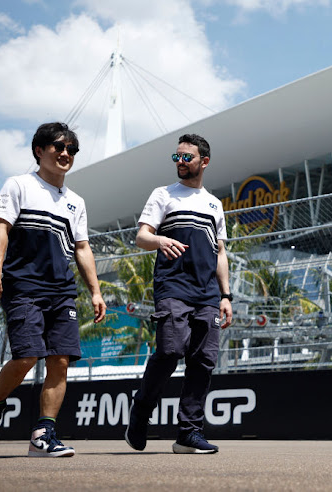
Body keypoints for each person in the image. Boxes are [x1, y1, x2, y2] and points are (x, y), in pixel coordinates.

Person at [0, 122, 106, 457]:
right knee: (28, 356)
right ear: (39, 151)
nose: (65, 154)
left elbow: (82, 249)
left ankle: (43, 435)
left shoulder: (76, 201)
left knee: (60, 360)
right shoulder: (18, 185)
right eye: (58, 147)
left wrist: (95, 292)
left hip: (62, 291)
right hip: (22, 287)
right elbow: (1, 228)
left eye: (71, 150)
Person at [125, 133, 232, 454]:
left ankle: (188, 433)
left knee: (203, 361)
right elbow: (142, 236)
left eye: (187, 157)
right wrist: (159, 241)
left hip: (208, 294)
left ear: (204, 162)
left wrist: (226, 295)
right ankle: (141, 409)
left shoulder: (214, 204)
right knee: (171, 350)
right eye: (177, 157)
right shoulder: (163, 195)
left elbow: (221, 252)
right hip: (172, 287)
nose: (181, 162)